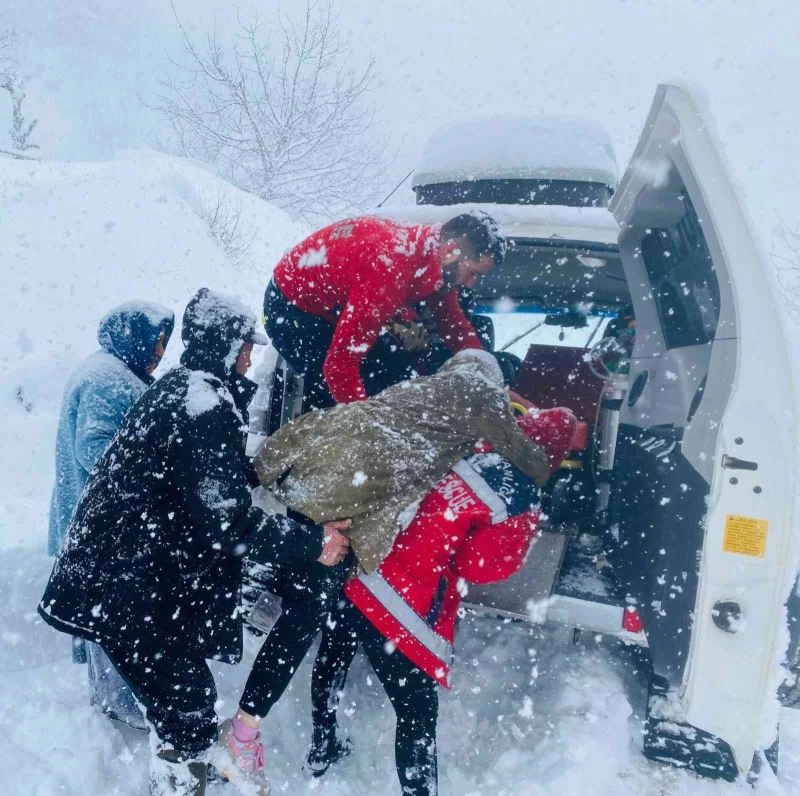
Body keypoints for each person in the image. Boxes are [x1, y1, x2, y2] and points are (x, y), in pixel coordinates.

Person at [39, 288, 350, 796]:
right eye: (247, 345)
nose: (252, 357)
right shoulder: (201, 402)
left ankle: (182, 779)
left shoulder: (189, 389)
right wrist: (313, 540)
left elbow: (205, 480)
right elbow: (228, 522)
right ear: (226, 345)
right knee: (186, 704)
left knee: (185, 701)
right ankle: (180, 785)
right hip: (127, 586)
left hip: (131, 579)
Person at [263, 407, 577, 796]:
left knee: (334, 655)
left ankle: (321, 746)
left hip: (364, 562)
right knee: (416, 715)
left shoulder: (468, 449)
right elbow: (478, 567)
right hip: (402, 604)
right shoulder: (521, 501)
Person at [253, 347, 552, 573]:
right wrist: (553, 464)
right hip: (363, 469)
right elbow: (527, 459)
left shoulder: (422, 386)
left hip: (326, 437)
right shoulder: (484, 393)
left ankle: (273, 572)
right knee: (328, 569)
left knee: (296, 527)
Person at [48, 300, 174, 729]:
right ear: (134, 336)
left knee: (97, 611)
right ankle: (119, 704)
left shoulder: (107, 368)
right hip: (101, 522)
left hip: (87, 515)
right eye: (156, 340)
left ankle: (107, 697)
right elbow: (94, 448)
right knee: (108, 614)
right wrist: (160, 472)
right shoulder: (109, 379)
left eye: (163, 342)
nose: (160, 350)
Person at [264, 211, 506, 409]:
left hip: (337, 300)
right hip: (292, 311)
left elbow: (455, 327)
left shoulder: (433, 256)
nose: (471, 283)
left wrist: (491, 380)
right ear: (451, 250)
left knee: (402, 372)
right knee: (335, 393)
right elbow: (339, 365)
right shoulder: (389, 267)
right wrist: (370, 433)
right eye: (473, 272)